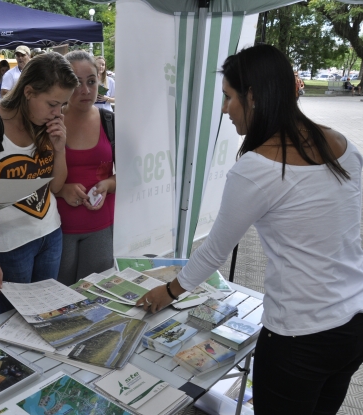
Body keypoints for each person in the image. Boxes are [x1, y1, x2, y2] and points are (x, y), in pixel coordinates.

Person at [137, 44, 363, 415]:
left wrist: (170, 290)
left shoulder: (257, 168)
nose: (225, 109)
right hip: (353, 324)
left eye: (228, 97)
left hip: (298, 336)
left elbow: (214, 250)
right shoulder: (339, 142)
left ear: (253, 96)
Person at [0, 52, 78, 313]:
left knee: (46, 315)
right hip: (8, 247)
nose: (57, 113)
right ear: (28, 91)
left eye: (62, 105)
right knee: (16, 325)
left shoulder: (47, 125)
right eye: (52, 104)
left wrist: (60, 149)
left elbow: (56, 187)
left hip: (50, 234)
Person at [56, 50, 116, 286]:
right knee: (58, 303)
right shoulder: (50, 121)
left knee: (94, 301)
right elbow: (33, 178)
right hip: (57, 230)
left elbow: (132, 174)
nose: (85, 90)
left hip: (101, 228)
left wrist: (109, 184)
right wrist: (61, 190)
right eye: (75, 82)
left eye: (91, 81)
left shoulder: (109, 121)